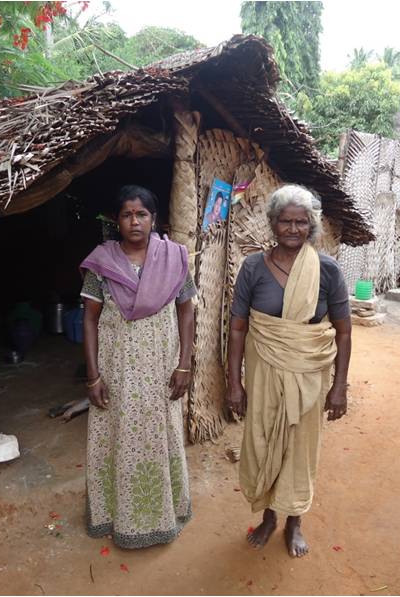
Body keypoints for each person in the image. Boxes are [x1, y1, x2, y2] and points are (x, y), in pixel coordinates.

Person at [225, 184, 352, 558]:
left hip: (309, 377)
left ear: (311, 226)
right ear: (273, 223)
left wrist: (340, 387)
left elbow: (344, 332)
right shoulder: (252, 268)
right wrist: (235, 383)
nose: (293, 229)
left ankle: (294, 521)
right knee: (264, 441)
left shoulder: (327, 270)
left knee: (300, 448)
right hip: (264, 375)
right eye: (286, 221)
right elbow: (237, 327)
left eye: (301, 222)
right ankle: (269, 517)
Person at [80, 185, 196, 549]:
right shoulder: (101, 263)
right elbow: (89, 320)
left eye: (142, 214)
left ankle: (165, 514)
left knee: (163, 436)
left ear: (153, 219)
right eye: (128, 214)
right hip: (118, 373)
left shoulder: (174, 258)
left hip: (162, 370)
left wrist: (185, 364)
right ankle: (116, 516)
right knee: (117, 440)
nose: (135, 221)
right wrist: (93, 375)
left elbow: (187, 310)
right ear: (118, 220)